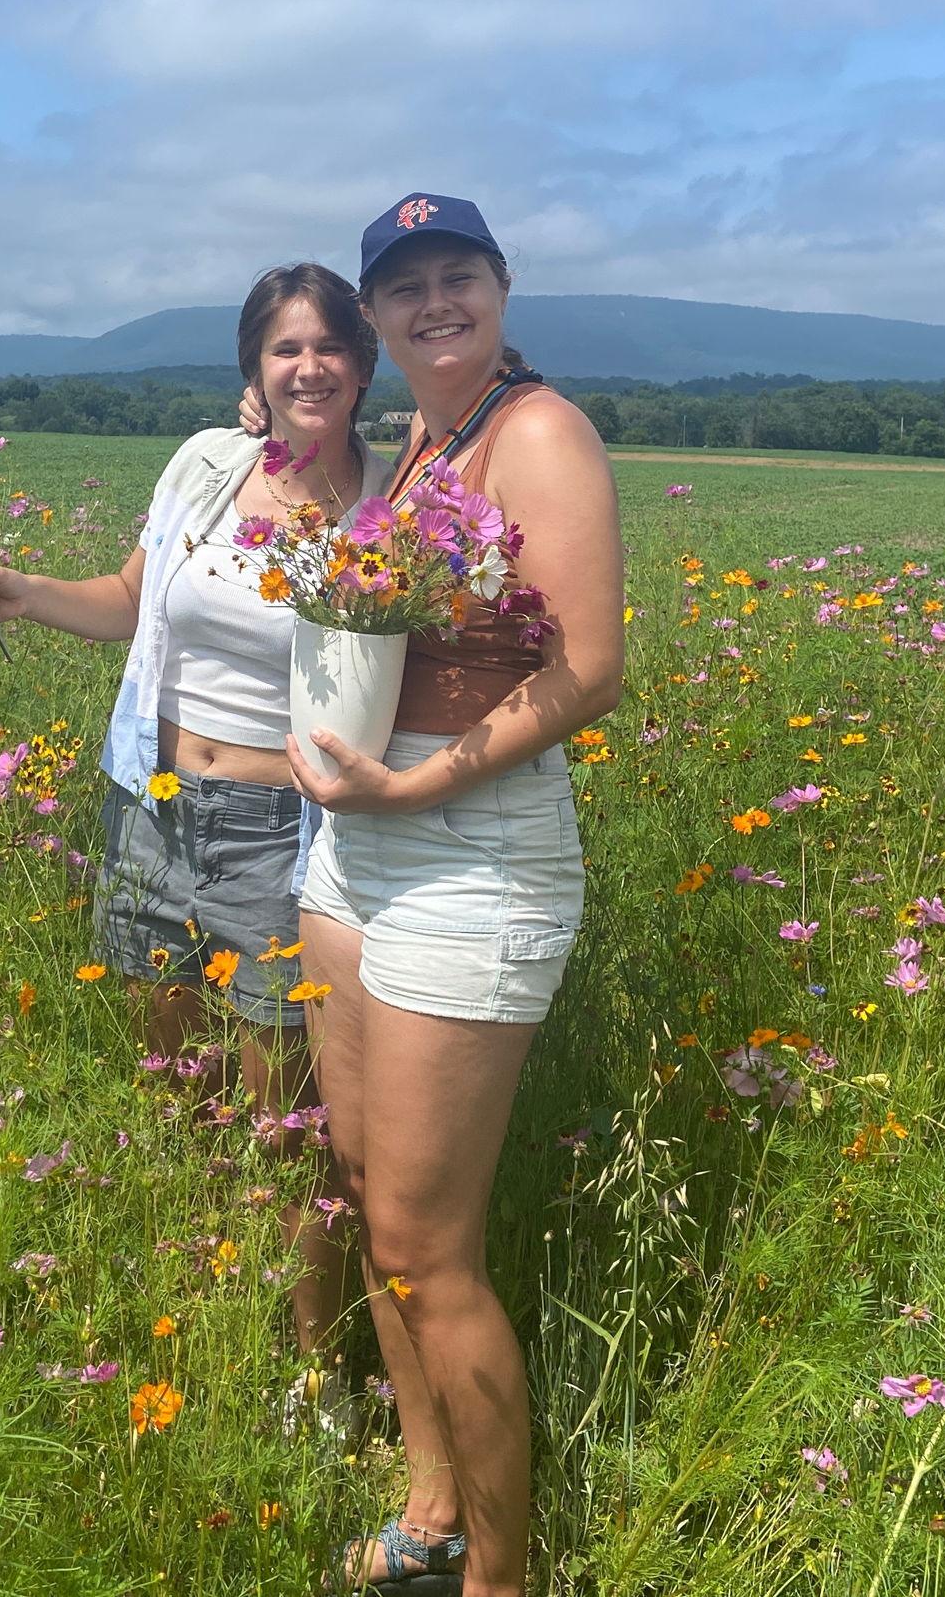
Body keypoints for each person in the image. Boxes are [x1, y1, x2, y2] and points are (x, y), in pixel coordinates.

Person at [0, 263, 393, 1392]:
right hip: (148, 805)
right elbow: (130, 599)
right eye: (284, 348)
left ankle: (310, 1379)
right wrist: (22, 590)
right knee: (176, 1085)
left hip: (277, 831)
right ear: (252, 364)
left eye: (329, 348)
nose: (307, 368)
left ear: (363, 364)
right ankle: (201, 1318)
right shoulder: (203, 463)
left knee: (286, 1121)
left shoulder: (390, 508)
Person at [271, 196, 623, 1596]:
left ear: (500, 284)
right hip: (359, 842)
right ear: (378, 315)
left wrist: (418, 789)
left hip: (468, 844)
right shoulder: (422, 441)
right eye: (405, 286)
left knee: (430, 1239)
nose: (433, 302)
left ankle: (504, 1576)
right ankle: (431, 1503)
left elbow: (587, 667)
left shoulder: (538, 431)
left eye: (456, 276)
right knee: (365, 1195)